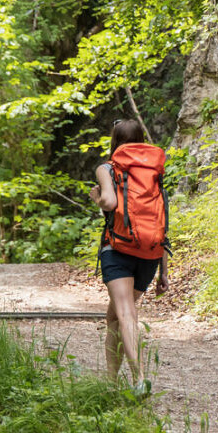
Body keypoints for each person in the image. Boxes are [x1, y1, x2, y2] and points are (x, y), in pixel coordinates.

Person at [90, 119, 169, 395]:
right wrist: (164, 271)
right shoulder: (153, 170)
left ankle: (139, 378)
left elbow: (110, 203)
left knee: (125, 313)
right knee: (114, 315)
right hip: (149, 253)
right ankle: (111, 383)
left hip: (120, 248)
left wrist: (97, 198)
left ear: (114, 140)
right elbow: (160, 217)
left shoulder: (108, 168)